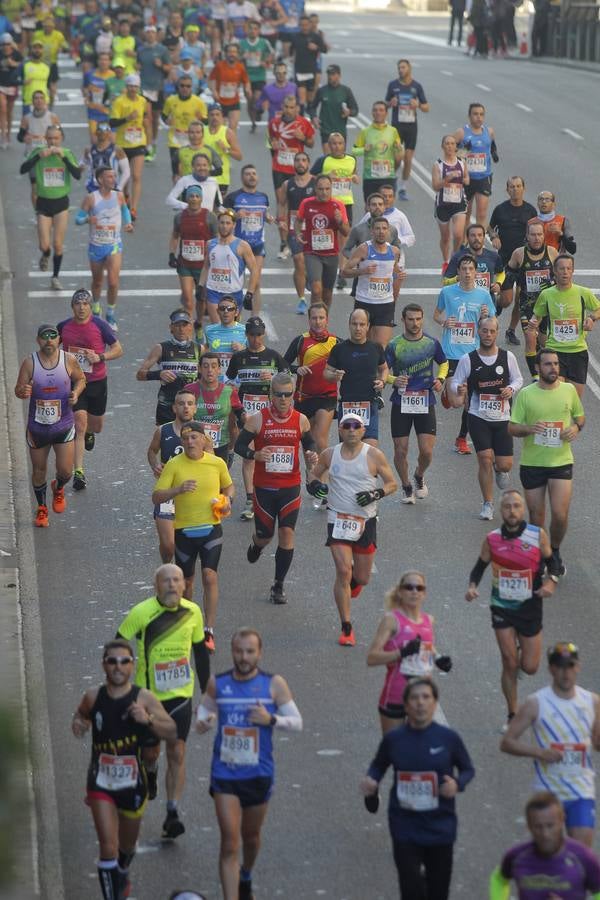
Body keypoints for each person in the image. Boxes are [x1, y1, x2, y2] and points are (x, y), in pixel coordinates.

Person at [195, 627, 302, 900]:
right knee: (230, 843)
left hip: (258, 773)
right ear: (232, 652)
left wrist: (271, 720)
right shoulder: (218, 683)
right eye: (239, 651)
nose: (243, 657)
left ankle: (246, 874)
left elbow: (297, 723)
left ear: (259, 653)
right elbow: (204, 711)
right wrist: (203, 721)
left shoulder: (273, 684)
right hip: (225, 774)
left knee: (251, 837)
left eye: (250, 651)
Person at [71, 639, 176, 900]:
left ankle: (123, 870)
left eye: (124, 661)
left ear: (132, 665)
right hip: (101, 782)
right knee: (108, 846)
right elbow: (81, 715)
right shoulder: (93, 696)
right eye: (112, 661)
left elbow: (172, 731)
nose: (118, 667)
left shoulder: (144, 698)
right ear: (104, 665)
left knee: (125, 849)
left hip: (133, 784)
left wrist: (148, 719)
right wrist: (79, 724)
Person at [116, 564, 210, 839]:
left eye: (176, 580)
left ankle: (172, 812)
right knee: (150, 754)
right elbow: (118, 646)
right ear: (156, 585)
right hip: (148, 699)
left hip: (180, 696)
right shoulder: (142, 612)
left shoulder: (193, 612)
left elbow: (201, 654)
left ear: (184, 586)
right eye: (166, 580)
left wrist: (206, 695)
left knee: (177, 753)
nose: (171, 585)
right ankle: (150, 771)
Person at [361, 678, 475, 900]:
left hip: (440, 827)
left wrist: (457, 784)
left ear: (434, 703)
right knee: (410, 888)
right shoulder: (395, 739)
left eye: (426, 697)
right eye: (414, 698)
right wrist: (371, 780)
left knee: (438, 892)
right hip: (405, 826)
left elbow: (468, 769)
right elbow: (378, 765)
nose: (420, 703)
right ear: (405, 705)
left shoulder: (448, 739)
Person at [466, 490, 558, 728]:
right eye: (507, 506)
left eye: (517, 506)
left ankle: (519, 653)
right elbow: (479, 567)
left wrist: (551, 582)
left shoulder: (537, 535)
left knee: (529, 666)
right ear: (501, 510)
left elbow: (553, 563)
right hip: (502, 606)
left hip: (530, 605)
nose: (512, 510)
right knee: (508, 661)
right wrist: (472, 586)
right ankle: (512, 714)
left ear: (523, 509)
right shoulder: (492, 538)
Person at [309, 412, 397, 645]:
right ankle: (346, 626)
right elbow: (313, 476)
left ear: (362, 430)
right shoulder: (330, 454)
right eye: (346, 425)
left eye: (355, 426)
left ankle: (353, 586)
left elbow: (392, 484)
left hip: (365, 521)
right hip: (337, 519)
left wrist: (375, 494)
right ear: (339, 430)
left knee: (362, 577)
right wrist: (317, 486)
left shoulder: (374, 455)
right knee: (343, 571)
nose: (351, 430)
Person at [501, 642, 600, 847]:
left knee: (581, 853)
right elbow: (507, 743)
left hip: (580, 791)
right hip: (547, 792)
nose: (566, 673)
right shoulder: (536, 703)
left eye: (570, 666)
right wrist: (540, 752)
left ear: (578, 667)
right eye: (560, 667)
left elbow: (597, 743)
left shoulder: (592, 702)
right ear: (551, 669)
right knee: (549, 853)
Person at [234, 372, 318, 605]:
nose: (283, 399)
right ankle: (257, 544)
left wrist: (311, 453)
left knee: (287, 533)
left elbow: (308, 442)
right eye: (278, 395)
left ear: (293, 395)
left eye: (288, 395)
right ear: (271, 395)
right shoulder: (257, 419)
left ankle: (278, 585)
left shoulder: (300, 419)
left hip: (290, 487)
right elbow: (239, 445)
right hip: (265, 488)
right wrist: (255, 454)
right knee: (265, 535)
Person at [152, 421, 235, 652]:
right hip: (184, 531)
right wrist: (177, 490)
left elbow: (228, 487)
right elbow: (157, 497)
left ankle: (208, 631)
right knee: (187, 583)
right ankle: (189, 626)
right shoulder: (174, 465)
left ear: (204, 439)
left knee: (209, 576)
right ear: (182, 441)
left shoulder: (217, 463)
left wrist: (227, 501)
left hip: (211, 528)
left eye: (195, 437)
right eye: (186, 438)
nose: (190, 441)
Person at [509, 348, 584, 578]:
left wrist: (575, 428)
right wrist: (529, 428)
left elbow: (580, 418)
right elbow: (512, 428)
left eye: (556, 364)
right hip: (533, 463)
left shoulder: (568, 390)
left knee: (560, 515)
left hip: (561, 461)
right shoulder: (526, 395)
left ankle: (556, 551)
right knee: (536, 516)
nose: (553, 368)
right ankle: (542, 555)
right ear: (537, 368)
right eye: (548, 364)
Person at [449, 317, 523, 520]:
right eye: (484, 330)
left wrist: (510, 389)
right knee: (484, 458)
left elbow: (518, 379)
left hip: (502, 417)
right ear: (478, 332)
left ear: (497, 333)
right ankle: (488, 504)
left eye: (491, 331)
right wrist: (459, 388)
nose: (488, 334)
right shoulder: (468, 359)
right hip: (477, 415)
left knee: (505, 464)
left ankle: (501, 469)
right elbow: (456, 381)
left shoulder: (508, 357)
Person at [14, 324, 86, 528]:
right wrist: (23, 390)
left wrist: (76, 393)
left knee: (66, 472)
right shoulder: (30, 362)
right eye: (44, 337)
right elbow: (18, 389)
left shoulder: (68, 360)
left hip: (63, 425)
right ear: (38, 340)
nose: (48, 340)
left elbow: (81, 379)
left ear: (59, 340)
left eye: (52, 337)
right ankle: (42, 507)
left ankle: (59, 487)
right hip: (38, 428)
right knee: (39, 470)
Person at [367, 571, 452, 732]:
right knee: (396, 753)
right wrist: (401, 653)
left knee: (421, 752)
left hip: (423, 697)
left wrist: (438, 658)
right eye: (409, 587)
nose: (414, 591)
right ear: (400, 592)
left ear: (424, 593)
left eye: (419, 588)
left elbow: (425, 645)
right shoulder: (391, 620)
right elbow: (371, 658)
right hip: (396, 694)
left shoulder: (428, 620)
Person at [57, 288, 124, 492]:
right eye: (78, 304)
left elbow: (118, 349)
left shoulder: (100, 325)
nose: (82, 307)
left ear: (90, 307)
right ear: (72, 307)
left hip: (97, 381)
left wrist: (100, 357)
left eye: (85, 304)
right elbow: (50, 347)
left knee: (96, 426)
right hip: (75, 383)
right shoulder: (64, 327)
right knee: (79, 424)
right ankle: (79, 472)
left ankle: (90, 434)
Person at [226, 317, 288, 521]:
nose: (255, 339)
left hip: (269, 413)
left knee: (270, 453)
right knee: (250, 455)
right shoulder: (239, 358)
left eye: (259, 334)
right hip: (247, 412)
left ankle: (272, 494)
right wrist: (239, 412)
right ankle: (251, 499)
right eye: (252, 335)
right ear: (246, 335)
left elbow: (289, 383)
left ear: (264, 334)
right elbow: (230, 386)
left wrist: (273, 380)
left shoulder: (273, 356)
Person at [385, 304, 448, 504]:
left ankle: (419, 475)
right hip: (401, 402)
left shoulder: (431, 343)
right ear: (403, 320)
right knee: (400, 450)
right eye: (411, 319)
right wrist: (393, 380)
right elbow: (383, 371)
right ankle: (406, 486)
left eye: (418, 319)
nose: (415, 323)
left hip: (424, 401)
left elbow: (444, 363)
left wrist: (440, 379)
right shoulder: (394, 345)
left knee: (427, 451)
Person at [433, 253, 492, 455]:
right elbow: (435, 314)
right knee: (458, 402)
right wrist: (444, 322)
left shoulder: (484, 295)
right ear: (457, 272)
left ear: (476, 272)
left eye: (471, 269)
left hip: (473, 354)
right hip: (452, 353)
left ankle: (461, 438)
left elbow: (492, 324)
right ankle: (449, 395)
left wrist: (485, 317)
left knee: (471, 400)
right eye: (463, 269)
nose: (467, 273)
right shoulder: (447, 292)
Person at [490, 791, 600, 899]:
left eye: (550, 825)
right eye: (538, 827)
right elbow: (499, 880)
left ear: (562, 821)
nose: (545, 834)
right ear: (529, 826)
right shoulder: (516, 857)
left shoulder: (583, 858)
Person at [19, 124, 82, 291]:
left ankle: (55, 277)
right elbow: (22, 169)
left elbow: (77, 175)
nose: (53, 141)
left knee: (58, 244)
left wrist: (65, 159)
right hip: (43, 203)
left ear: (61, 139)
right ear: (45, 139)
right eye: (50, 138)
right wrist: (38, 157)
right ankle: (45, 254)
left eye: (56, 138)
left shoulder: (67, 153)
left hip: (61, 203)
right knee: (44, 245)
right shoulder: (38, 152)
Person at [530, 254, 600, 398]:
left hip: (578, 352)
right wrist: (533, 322)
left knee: (573, 401)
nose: (565, 272)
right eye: (561, 269)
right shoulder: (546, 294)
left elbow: (598, 309)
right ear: (554, 271)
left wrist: (592, 318)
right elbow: (537, 315)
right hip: (555, 352)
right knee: (557, 397)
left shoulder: (583, 293)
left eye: (569, 268)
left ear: (573, 271)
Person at [75, 164, 134, 331]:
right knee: (97, 281)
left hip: (114, 245)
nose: (113, 179)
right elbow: (77, 219)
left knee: (113, 282)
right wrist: (87, 219)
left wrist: (128, 223)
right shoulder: (91, 198)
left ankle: (110, 314)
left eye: (114, 176)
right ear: (100, 179)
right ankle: (95, 307)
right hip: (96, 245)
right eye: (109, 177)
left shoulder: (119, 196)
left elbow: (125, 211)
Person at [283, 303, 340, 473]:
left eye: (321, 318)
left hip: (327, 397)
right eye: (314, 318)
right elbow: (282, 364)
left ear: (327, 320)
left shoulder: (336, 342)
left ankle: (323, 479)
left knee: (320, 440)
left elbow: (351, 361)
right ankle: (312, 475)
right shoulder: (300, 340)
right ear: (309, 320)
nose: (318, 321)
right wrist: (296, 369)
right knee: (308, 443)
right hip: (303, 397)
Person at [147, 389, 198, 563]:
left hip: (192, 495)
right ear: (174, 408)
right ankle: (166, 570)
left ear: (195, 409)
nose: (186, 407)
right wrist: (155, 465)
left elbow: (211, 461)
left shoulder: (202, 435)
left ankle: (183, 583)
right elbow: (152, 451)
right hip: (167, 495)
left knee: (187, 549)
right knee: (169, 546)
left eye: (190, 404)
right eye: (181, 404)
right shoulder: (163, 430)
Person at [324, 308, 388, 446]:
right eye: (354, 324)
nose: (358, 328)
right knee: (349, 450)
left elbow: (384, 369)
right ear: (349, 325)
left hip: (370, 405)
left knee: (370, 450)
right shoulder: (339, 349)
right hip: (348, 405)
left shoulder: (375, 348)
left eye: (362, 324)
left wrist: (382, 381)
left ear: (368, 326)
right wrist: (334, 376)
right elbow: (326, 373)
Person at [500, 220, 557, 367]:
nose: (536, 238)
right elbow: (508, 275)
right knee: (530, 338)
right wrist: (502, 293)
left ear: (544, 236)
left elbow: (563, 276)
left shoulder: (552, 252)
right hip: (527, 305)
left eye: (539, 234)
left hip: (547, 305)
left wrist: (551, 283)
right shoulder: (519, 254)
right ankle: (535, 376)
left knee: (543, 343)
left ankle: (541, 364)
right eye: (533, 235)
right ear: (527, 236)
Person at [341, 215, 404, 349]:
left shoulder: (394, 252)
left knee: (381, 346)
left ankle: (378, 370)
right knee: (363, 344)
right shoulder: (364, 249)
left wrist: (395, 296)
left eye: (384, 229)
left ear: (388, 231)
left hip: (385, 304)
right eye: (377, 229)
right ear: (372, 231)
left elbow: (394, 274)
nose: (381, 231)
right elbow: (344, 272)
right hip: (365, 302)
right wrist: (362, 271)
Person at [224, 165, 275, 313]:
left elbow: (265, 214)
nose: (251, 176)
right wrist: (234, 214)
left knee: (256, 282)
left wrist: (269, 218)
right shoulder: (233, 197)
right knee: (234, 283)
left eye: (254, 173)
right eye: (247, 174)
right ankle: (233, 316)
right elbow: (220, 214)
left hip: (257, 245)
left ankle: (255, 317)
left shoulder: (263, 197)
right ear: (242, 177)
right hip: (238, 246)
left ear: (257, 177)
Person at [310, 131, 358, 289]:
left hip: (345, 204)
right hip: (327, 204)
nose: (337, 146)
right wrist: (324, 175)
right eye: (333, 144)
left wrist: (355, 177)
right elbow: (310, 178)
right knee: (329, 238)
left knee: (344, 238)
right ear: (329, 146)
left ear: (344, 144)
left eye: (340, 143)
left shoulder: (352, 159)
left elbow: (354, 174)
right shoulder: (323, 160)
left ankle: (341, 272)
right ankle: (322, 268)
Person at [136, 309, 200, 426]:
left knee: (191, 442)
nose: (181, 329)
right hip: (167, 405)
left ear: (190, 327)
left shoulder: (199, 349)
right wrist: (159, 374)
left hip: (190, 406)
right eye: (177, 325)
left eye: (184, 325)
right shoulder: (161, 348)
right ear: (171, 327)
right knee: (164, 442)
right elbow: (140, 375)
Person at [295, 173, 349, 309]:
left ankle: (324, 321)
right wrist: (297, 233)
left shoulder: (338, 205)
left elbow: (346, 231)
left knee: (327, 292)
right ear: (315, 189)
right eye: (321, 189)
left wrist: (340, 221)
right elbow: (298, 220)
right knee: (317, 289)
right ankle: (314, 319)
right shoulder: (306, 203)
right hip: (312, 253)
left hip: (331, 254)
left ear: (331, 189)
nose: (324, 192)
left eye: (327, 189)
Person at [168, 184, 218, 320]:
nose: (194, 199)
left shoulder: (210, 217)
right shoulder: (179, 217)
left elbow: (216, 240)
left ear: (201, 199)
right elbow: (175, 235)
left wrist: (215, 259)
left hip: (203, 266)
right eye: (191, 196)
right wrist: (172, 254)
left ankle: (199, 324)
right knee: (188, 300)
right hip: (185, 265)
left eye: (197, 196)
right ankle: (188, 332)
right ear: (186, 199)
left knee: (201, 299)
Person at [199, 209, 259, 321]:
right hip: (214, 292)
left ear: (234, 225)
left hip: (234, 293)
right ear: (218, 224)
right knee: (217, 328)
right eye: (222, 223)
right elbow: (206, 267)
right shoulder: (210, 244)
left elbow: (254, 270)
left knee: (231, 331)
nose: (224, 226)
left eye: (228, 223)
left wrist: (250, 293)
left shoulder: (242, 246)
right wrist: (200, 286)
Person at [384, 59, 429, 201]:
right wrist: (390, 103)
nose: (400, 70)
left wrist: (418, 105)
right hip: (396, 127)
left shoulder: (417, 86)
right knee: (397, 158)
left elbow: (427, 107)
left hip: (411, 126)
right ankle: (392, 177)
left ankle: (403, 187)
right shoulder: (393, 85)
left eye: (403, 67)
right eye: (399, 68)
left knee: (408, 158)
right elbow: (384, 104)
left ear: (409, 68)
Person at [109, 72, 151, 221]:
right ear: (126, 87)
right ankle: (125, 195)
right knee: (125, 177)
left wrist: (149, 141)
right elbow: (112, 122)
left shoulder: (143, 101)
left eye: (135, 87)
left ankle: (133, 208)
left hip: (139, 142)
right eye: (130, 86)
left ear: (139, 88)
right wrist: (127, 118)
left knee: (136, 176)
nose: (133, 89)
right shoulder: (119, 102)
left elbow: (147, 120)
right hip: (122, 144)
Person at [276, 150, 315, 309]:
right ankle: (301, 299)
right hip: (294, 227)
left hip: (313, 228)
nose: (300, 163)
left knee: (310, 263)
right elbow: (282, 204)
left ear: (308, 163)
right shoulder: (287, 184)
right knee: (298, 260)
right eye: (297, 160)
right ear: (294, 164)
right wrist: (282, 220)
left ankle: (308, 278)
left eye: (303, 160)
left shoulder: (316, 181)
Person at [189, 352, 243, 465]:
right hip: (195, 445)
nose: (209, 370)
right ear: (199, 369)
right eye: (205, 366)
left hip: (221, 445)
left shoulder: (229, 391)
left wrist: (231, 449)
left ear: (219, 369)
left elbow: (236, 423)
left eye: (214, 366)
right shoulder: (189, 390)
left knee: (218, 481)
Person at [453, 103, 498, 230]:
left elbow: (492, 145)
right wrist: (464, 152)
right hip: (466, 178)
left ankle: (480, 244)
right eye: (475, 114)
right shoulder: (461, 133)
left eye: (481, 114)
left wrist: (494, 154)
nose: (478, 117)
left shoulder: (489, 131)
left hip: (484, 177)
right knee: (466, 214)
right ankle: (464, 243)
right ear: (469, 116)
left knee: (482, 213)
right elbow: (450, 151)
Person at [17, 91, 61, 209]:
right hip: (33, 157)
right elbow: (19, 136)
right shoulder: (26, 118)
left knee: (49, 187)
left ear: (45, 101)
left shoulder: (52, 117)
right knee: (35, 188)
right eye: (36, 98)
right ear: (32, 101)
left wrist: (51, 140)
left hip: (49, 157)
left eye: (41, 98)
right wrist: (24, 138)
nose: (39, 100)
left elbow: (62, 135)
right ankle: (39, 214)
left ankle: (49, 212)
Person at [353, 100, 404, 203]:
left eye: (381, 110)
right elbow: (354, 150)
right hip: (370, 177)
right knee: (369, 207)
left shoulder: (393, 131)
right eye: (375, 110)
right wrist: (364, 150)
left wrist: (398, 148)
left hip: (388, 176)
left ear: (386, 113)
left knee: (387, 207)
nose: (378, 113)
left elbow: (399, 151)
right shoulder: (365, 132)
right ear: (372, 113)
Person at [432, 134, 469, 274]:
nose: (450, 146)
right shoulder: (438, 165)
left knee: (459, 234)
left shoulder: (461, 162)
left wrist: (463, 179)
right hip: (443, 204)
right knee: (446, 236)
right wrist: (447, 179)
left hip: (459, 202)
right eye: (447, 143)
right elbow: (435, 186)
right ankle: (446, 261)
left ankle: (454, 258)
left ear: (456, 146)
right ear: (443, 146)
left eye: (453, 143)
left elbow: (467, 179)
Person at [161, 76, 208, 182]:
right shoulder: (171, 100)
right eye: (182, 85)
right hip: (175, 140)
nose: (185, 88)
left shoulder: (199, 102)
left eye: (188, 86)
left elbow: (206, 122)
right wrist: (167, 121)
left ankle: (191, 194)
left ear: (192, 87)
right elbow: (164, 115)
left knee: (192, 169)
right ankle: (177, 195)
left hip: (192, 139)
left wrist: (201, 118)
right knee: (177, 172)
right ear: (178, 86)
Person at [443, 223, 503, 306]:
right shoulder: (458, 257)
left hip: (486, 303)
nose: (476, 238)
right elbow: (446, 281)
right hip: (464, 303)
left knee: (492, 319)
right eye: (473, 235)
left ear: (483, 237)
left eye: (479, 235)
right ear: (467, 238)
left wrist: (498, 284)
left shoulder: (493, 256)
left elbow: (501, 273)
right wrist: (457, 279)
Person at [488, 175, 537, 274]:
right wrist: (494, 237)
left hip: (525, 255)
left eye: (518, 186)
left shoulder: (531, 211)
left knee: (522, 288)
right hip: (505, 255)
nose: (515, 189)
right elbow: (489, 227)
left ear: (524, 189)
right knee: (504, 286)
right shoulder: (500, 209)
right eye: (512, 187)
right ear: (507, 190)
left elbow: (537, 231)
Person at [268, 93, 315, 196]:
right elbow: (270, 141)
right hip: (279, 168)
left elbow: (311, 144)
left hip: (297, 167)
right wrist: (272, 145)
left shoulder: (304, 123)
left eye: (291, 107)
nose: (288, 110)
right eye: (286, 107)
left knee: (295, 200)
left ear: (297, 108)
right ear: (282, 106)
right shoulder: (273, 123)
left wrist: (303, 138)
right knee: (281, 200)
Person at [136, 24, 171, 160]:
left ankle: (154, 143)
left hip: (158, 88)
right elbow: (138, 65)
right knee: (147, 118)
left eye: (152, 32)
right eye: (148, 32)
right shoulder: (141, 50)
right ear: (145, 34)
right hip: (144, 87)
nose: (150, 35)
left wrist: (161, 65)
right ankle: (147, 145)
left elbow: (169, 68)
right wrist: (137, 67)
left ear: (156, 35)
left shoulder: (162, 50)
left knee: (155, 119)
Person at [308, 63, 358, 152]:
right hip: (326, 131)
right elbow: (311, 107)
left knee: (339, 161)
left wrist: (349, 112)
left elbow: (355, 110)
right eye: (329, 74)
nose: (330, 77)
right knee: (328, 159)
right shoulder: (322, 90)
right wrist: (314, 117)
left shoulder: (346, 91)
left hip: (340, 132)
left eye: (333, 74)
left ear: (339, 75)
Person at [239, 19, 274, 131]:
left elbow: (271, 54)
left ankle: (259, 109)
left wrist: (267, 62)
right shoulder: (242, 43)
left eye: (255, 29)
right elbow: (237, 58)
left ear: (258, 30)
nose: (252, 31)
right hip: (246, 76)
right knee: (249, 100)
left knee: (256, 97)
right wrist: (242, 59)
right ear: (247, 30)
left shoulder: (264, 42)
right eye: (250, 28)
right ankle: (253, 122)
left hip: (259, 75)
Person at [202, 296, 247, 382]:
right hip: (216, 380)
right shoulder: (209, 330)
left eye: (230, 309)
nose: (226, 311)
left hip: (237, 381)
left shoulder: (245, 330)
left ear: (236, 312)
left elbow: (255, 353)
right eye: (222, 308)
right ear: (218, 311)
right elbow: (205, 351)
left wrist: (243, 349)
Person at [203, 102, 243, 197]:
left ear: (222, 116)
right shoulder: (201, 131)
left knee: (219, 209)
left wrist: (226, 149)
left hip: (221, 178)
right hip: (203, 176)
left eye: (217, 114)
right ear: (207, 116)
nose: (215, 117)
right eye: (212, 115)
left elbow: (239, 156)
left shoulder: (227, 132)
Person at [288, 15, 327, 113]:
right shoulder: (295, 37)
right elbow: (291, 50)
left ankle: (310, 111)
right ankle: (301, 115)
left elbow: (325, 49)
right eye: (302, 25)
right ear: (299, 25)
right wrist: (291, 57)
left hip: (311, 70)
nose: (304, 27)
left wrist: (316, 48)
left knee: (310, 99)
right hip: (299, 70)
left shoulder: (316, 37)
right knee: (301, 98)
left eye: (306, 25)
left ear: (309, 25)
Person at [208, 43, 251, 131]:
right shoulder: (219, 66)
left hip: (234, 102)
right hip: (220, 101)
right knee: (220, 128)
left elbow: (246, 81)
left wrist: (247, 89)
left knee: (233, 127)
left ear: (237, 54)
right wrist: (214, 91)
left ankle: (231, 144)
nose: (232, 54)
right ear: (226, 53)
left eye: (234, 52)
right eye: (230, 52)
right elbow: (211, 79)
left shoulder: (240, 67)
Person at [81, 122, 130, 195]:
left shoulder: (117, 150)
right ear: (96, 132)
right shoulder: (89, 150)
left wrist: (119, 188)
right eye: (100, 129)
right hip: (93, 188)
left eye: (105, 129)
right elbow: (82, 164)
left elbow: (126, 171)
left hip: (111, 188)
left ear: (109, 133)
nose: (102, 132)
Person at [32, 15, 68, 107]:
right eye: (46, 27)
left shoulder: (58, 35)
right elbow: (31, 48)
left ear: (53, 27)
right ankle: (39, 104)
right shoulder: (37, 34)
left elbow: (66, 46)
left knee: (52, 86)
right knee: (41, 85)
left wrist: (62, 48)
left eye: (50, 27)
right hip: (40, 64)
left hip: (52, 63)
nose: (48, 29)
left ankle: (51, 102)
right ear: (43, 27)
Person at [82, 50, 114, 138]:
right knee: (95, 140)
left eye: (106, 60)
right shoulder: (89, 74)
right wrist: (86, 94)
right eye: (101, 59)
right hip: (94, 113)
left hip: (109, 114)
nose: (103, 62)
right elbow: (84, 87)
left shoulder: (114, 76)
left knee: (109, 140)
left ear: (110, 62)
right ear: (97, 61)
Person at [532, 190, 576, 254]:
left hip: (556, 261)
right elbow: (526, 245)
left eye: (547, 200)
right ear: (537, 203)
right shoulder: (531, 222)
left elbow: (573, 249)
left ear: (553, 204)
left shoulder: (563, 221)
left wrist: (560, 234)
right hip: (537, 261)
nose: (544, 202)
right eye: (541, 199)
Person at [0, 33, 22, 148]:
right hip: (1, 85)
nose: (5, 46)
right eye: (3, 44)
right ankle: (3, 136)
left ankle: (8, 134)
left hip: (12, 86)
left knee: (9, 112)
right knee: (2, 109)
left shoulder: (16, 54)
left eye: (8, 44)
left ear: (11, 44)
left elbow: (23, 65)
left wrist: (14, 64)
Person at [21, 40, 50, 117]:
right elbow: (15, 80)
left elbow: (50, 85)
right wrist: (22, 82)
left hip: (44, 102)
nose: (37, 50)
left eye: (39, 48)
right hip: (28, 101)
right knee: (27, 127)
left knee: (44, 127)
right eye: (35, 48)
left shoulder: (47, 67)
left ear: (43, 50)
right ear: (30, 50)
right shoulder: (24, 65)